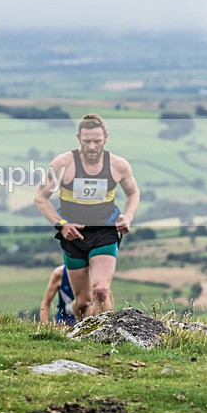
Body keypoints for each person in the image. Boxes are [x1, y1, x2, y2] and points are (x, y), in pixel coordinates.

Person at [34, 114, 139, 320]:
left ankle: (108, 336)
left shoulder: (118, 165)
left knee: (101, 290)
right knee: (82, 301)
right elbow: (40, 198)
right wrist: (62, 225)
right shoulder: (62, 164)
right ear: (78, 138)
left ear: (106, 138)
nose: (92, 146)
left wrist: (127, 216)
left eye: (97, 141)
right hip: (74, 235)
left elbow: (133, 193)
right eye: (87, 141)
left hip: (105, 231)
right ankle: (82, 334)